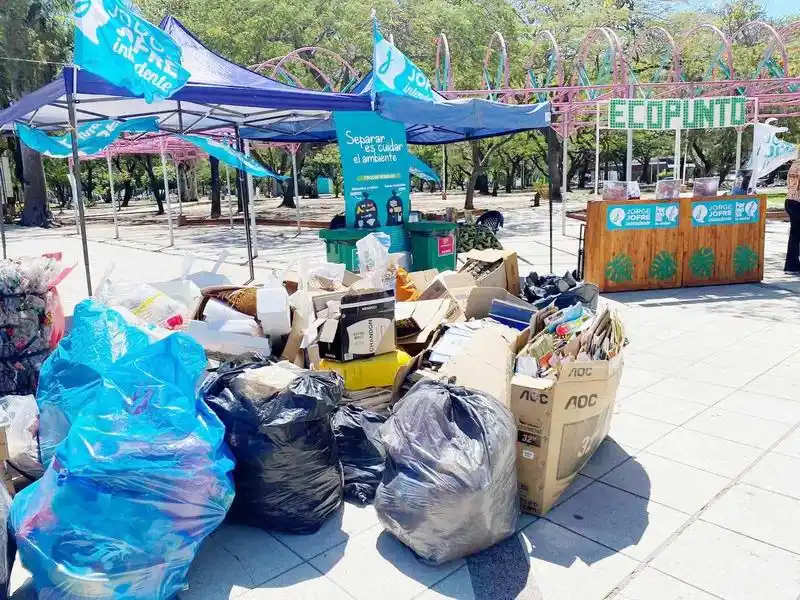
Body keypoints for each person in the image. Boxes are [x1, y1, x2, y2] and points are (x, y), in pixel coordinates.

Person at [786, 161, 800, 273]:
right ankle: (792, 264)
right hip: (798, 202)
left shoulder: (795, 164)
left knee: (794, 235)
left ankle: (791, 264)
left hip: (790, 200)